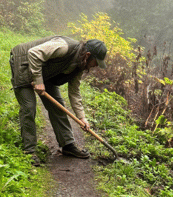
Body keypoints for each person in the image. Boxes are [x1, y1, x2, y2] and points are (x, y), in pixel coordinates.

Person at [10, 35, 108, 165]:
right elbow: (33, 53)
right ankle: (29, 150)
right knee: (29, 108)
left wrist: (82, 118)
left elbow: (74, 93)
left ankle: (68, 145)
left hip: (45, 72)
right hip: (22, 64)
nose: (95, 66)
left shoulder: (80, 64)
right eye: (95, 62)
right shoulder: (64, 46)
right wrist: (39, 82)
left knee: (57, 106)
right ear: (88, 55)